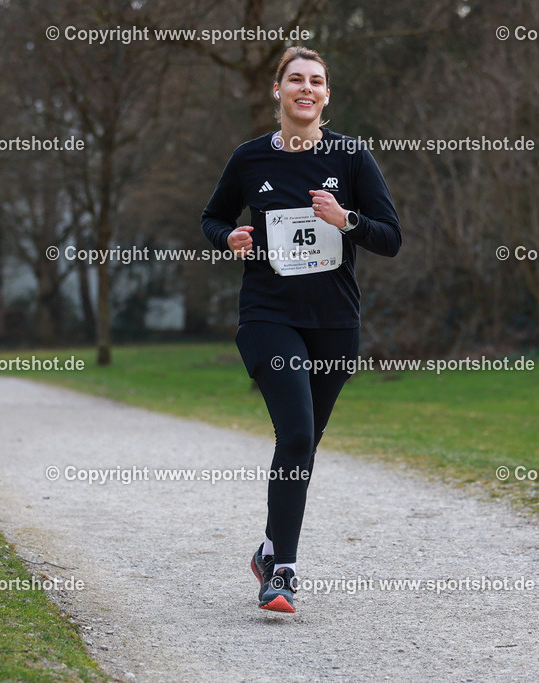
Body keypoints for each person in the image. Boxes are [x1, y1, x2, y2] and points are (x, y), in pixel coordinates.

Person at [201, 46, 401, 613]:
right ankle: (282, 572)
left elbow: (390, 236)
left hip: (335, 322)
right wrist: (228, 238)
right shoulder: (249, 159)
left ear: (327, 95)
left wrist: (347, 220)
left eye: (316, 81)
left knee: (304, 444)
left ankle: (268, 549)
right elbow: (213, 217)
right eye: (295, 80)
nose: (305, 89)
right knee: (294, 435)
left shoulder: (353, 158)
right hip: (268, 315)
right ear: (278, 91)